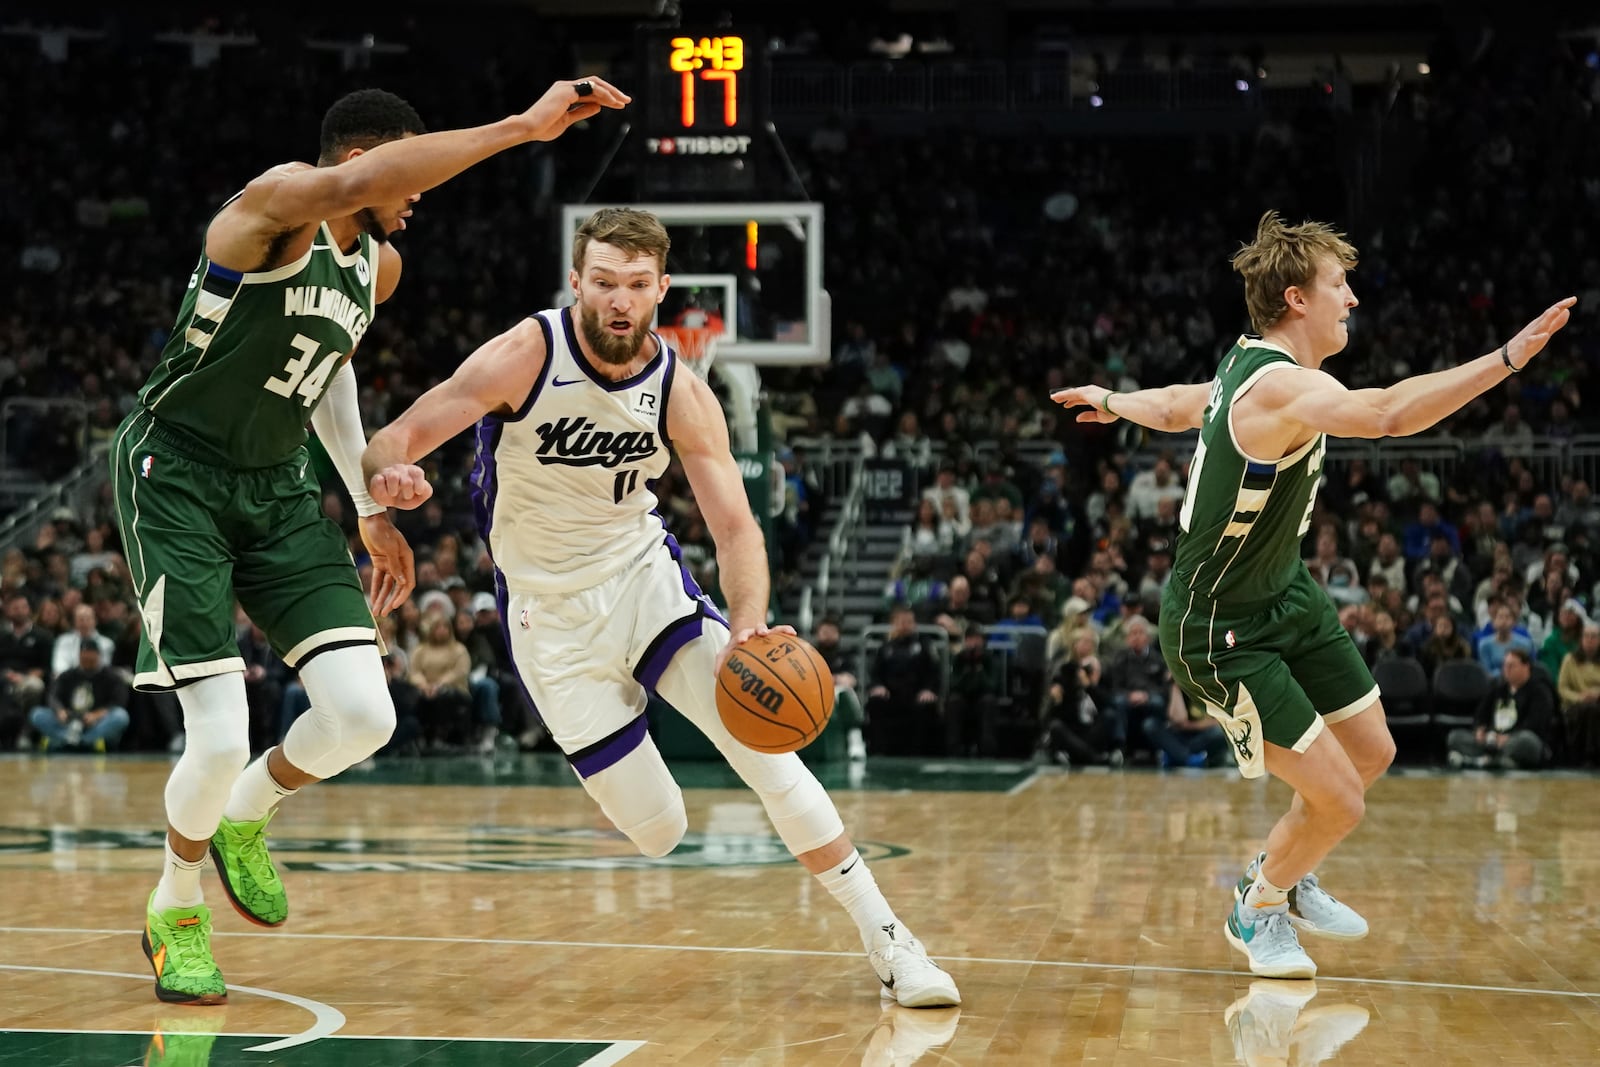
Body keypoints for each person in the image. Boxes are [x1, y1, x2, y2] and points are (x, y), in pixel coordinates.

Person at [113, 78, 631, 1005]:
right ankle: (175, 905)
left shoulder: (376, 268)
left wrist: (367, 504)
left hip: (275, 486)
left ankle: (245, 820)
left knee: (364, 716)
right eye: (403, 174)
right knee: (221, 732)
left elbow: (330, 376)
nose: (417, 197)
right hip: (177, 476)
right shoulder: (271, 208)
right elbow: (381, 178)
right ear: (359, 165)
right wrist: (521, 127)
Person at [361, 207, 959, 1007]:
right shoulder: (525, 356)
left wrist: (748, 619)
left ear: (661, 290)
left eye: (637, 286)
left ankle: (890, 939)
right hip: (548, 617)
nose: (619, 300)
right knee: (660, 830)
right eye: (603, 282)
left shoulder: (678, 386)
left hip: (645, 581)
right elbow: (390, 438)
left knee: (768, 755)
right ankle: (619, 737)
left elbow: (738, 527)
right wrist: (388, 479)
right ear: (577, 282)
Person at [1050, 210, 1574, 979]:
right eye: (1340, 284)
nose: (1353, 298)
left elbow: (1174, 406)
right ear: (1297, 299)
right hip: (1218, 625)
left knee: (1373, 752)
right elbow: (1390, 414)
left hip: (1285, 593)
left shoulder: (1246, 365)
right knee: (1341, 800)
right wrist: (1505, 357)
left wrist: (1114, 397)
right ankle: (1256, 904)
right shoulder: (1283, 390)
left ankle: (1286, 874)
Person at [1446, 648, 1557, 769]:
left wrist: (1507, 738)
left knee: (1527, 741)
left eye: (1512, 666)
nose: (1507, 669)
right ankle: (1499, 762)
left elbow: (1536, 724)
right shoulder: (1497, 688)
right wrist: (1480, 730)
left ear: (1526, 667)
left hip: (1517, 740)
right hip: (1492, 741)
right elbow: (1481, 714)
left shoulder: (1539, 691)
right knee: (1454, 737)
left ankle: (1477, 760)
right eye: (1505, 665)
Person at [29, 638, 131, 752]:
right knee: (37, 714)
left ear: (98, 656)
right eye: (84, 658)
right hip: (69, 720)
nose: (87, 661)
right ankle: (71, 739)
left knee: (120, 717)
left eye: (90, 659)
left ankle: (81, 741)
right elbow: (53, 696)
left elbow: (119, 702)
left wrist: (97, 715)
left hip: (96, 721)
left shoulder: (112, 677)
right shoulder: (67, 675)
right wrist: (59, 711)